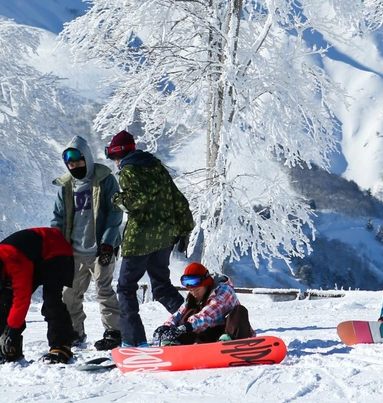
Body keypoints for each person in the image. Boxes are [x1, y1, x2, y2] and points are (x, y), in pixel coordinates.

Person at [107, 130, 196, 347]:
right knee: (162, 286)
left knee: (126, 287)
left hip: (140, 239)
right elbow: (178, 199)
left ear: (118, 154)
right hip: (165, 237)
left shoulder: (128, 170)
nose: (115, 162)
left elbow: (135, 200)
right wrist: (185, 229)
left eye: (113, 157)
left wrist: (117, 199)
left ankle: (134, 340)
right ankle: (195, 323)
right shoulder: (155, 166)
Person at [50, 135, 124, 351]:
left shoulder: (104, 180)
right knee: (69, 294)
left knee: (103, 289)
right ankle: (75, 332)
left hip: (101, 248)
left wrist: (108, 243)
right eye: (71, 164)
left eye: (78, 161)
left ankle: (113, 331)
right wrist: (57, 245)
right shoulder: (66, 186)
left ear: (87, 158)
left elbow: (114, 213)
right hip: (74, 250)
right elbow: (58, 218)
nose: (75, 166)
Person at [0, 227, 75, 364]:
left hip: (55, 249)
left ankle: (61, 347)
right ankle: (11, 351)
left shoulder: (15, 263)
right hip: (33, 256)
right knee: (4, 300)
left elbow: (21, 300)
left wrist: (11, 333)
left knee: (51, 300)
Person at [152, 262, 254, 345]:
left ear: (206, 284)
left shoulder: (223, 290)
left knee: (239, 311)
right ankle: (177, 344)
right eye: (190, 290)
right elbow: (180, 313)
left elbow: (208, 315)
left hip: (233, 333)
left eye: (197, 290)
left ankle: (228, 342)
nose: (194, 293)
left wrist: (185, 327)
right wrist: (167, 326)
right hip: (212, 335)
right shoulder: (195, 296)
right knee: (191, 310)